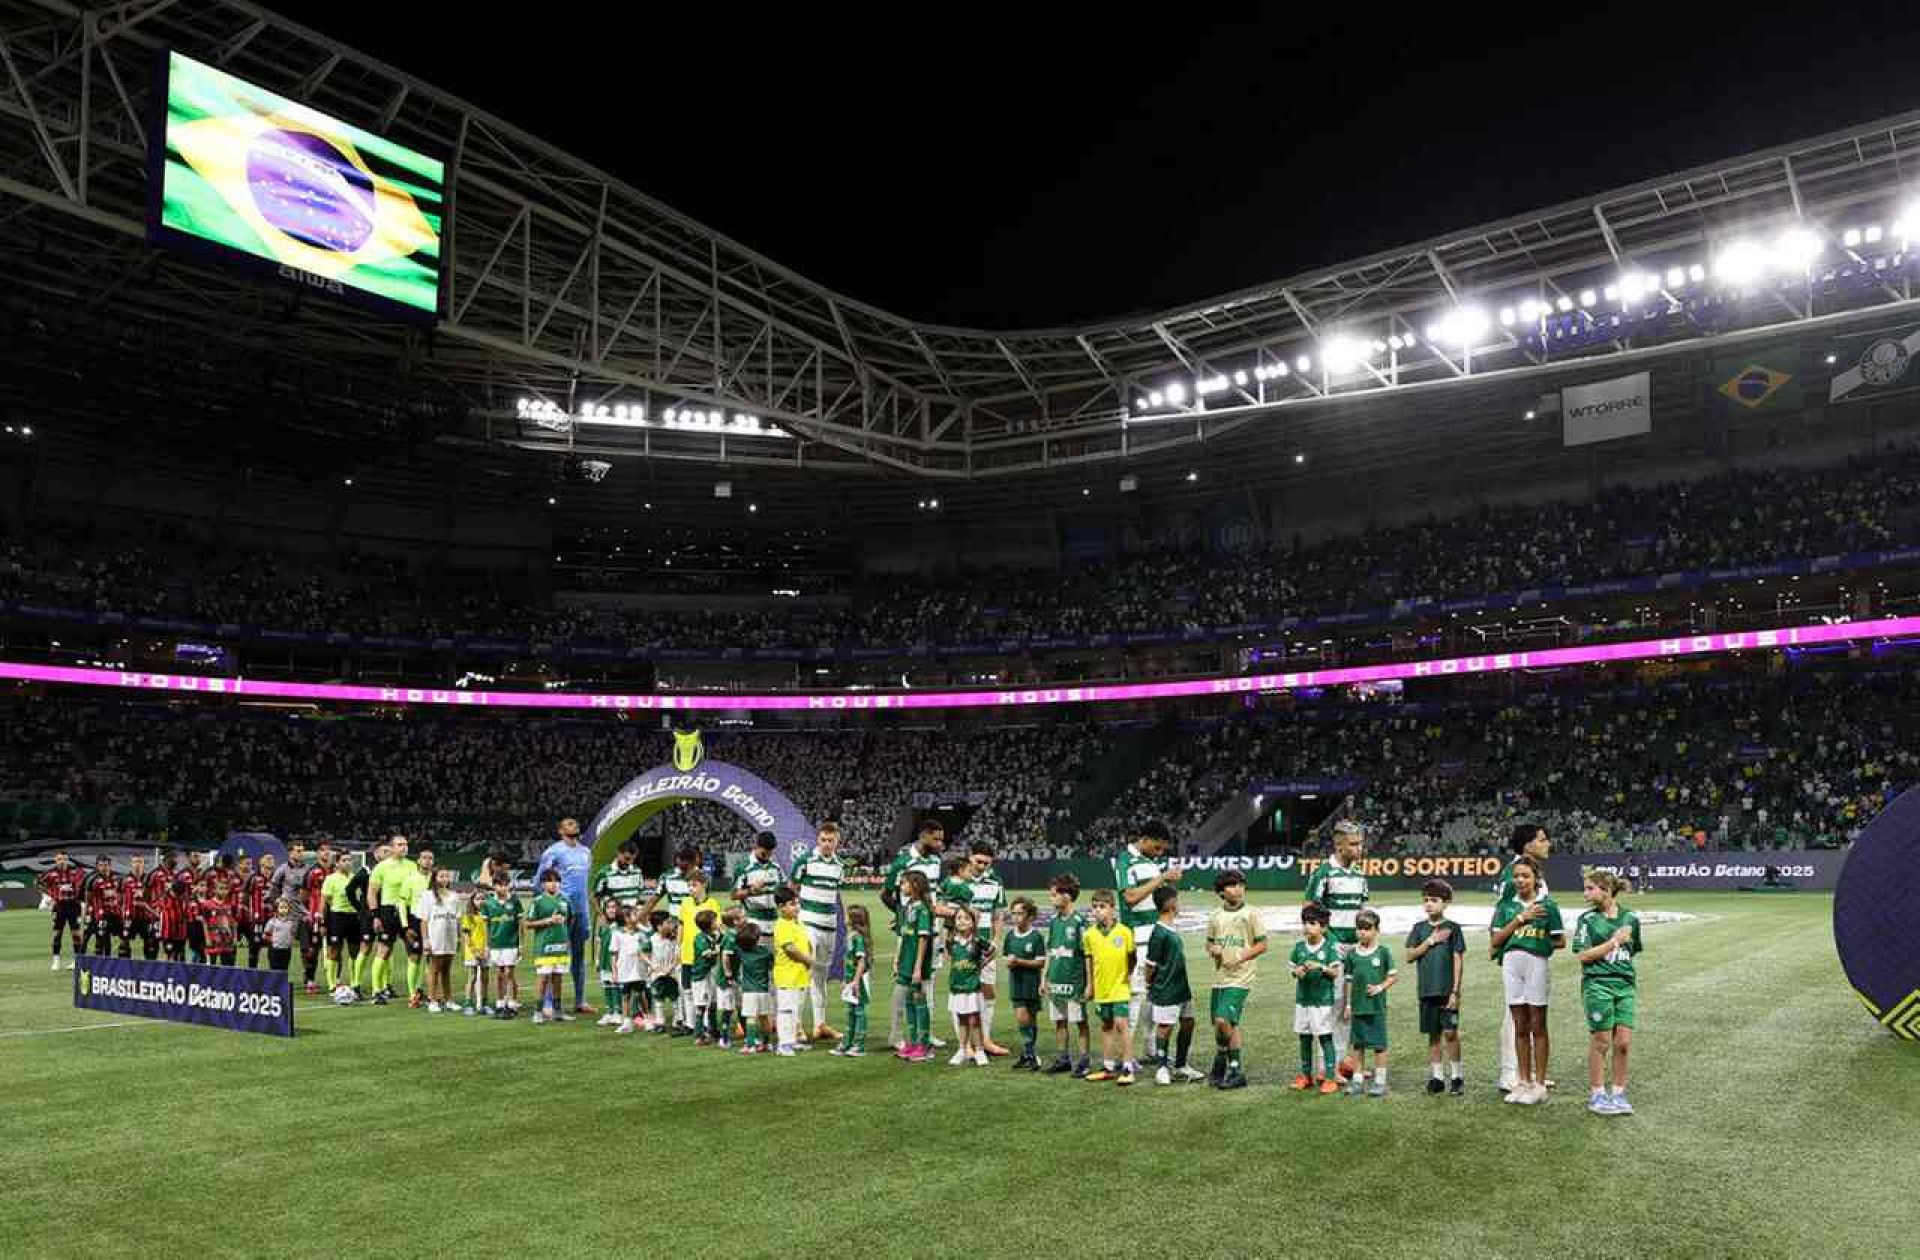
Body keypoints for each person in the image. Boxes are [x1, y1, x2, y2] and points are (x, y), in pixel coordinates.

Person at [1488, 855, 1564, 1106]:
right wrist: (1521, 919)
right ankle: (1522, 1082)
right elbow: (1496, 940)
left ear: (1536, 879)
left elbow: (1560, 940)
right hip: (1511, 965)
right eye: (1517, 876)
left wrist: (1536, 941)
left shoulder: (1548, 906)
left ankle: (1539, 1084)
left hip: (1536, 964)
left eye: (1525, 876)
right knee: (1519, 1025)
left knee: (1538, 1025)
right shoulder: (1506, 907)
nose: (1520, 880)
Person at [1572, 870, 1644, 1116]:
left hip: (1625, 985)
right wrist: (1613, 942)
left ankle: (1619, 1093)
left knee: (1623, 1042)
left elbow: (1632, 951)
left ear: (1606, 890)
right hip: (1597, 984)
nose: (1585, 893)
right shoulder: (1587, 920)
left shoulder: (1631, 919)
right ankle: (1597, 1094)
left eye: (1590, 888)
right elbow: (1582, 955)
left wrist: (1618, 949)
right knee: (1601, 1041)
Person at [1113, 820, 1181, 1065]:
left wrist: (1167, 883)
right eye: (1157, 847)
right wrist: (1161, 877)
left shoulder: (1150, 863)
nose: (1159, 853)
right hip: (1137, 937)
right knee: (1135, 995)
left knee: (1154, 995)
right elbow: (1130, 897)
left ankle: (1150, 1048)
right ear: (1144, 839)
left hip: (1155, 935)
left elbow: (1152, 896)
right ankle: (1126, 1056)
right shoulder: (1125, 860)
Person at [1302, 820, 1370, 1067]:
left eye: (1360, 843)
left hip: (1356, 949)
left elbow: (1361, 910)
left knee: (1349, 1006)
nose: (1359, 848)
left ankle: (1341, 1061)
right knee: (1334, 1004)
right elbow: (1309, 909)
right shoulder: (1324, 873)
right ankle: (1326, 1065)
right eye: (1354, 844)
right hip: (1336, 948)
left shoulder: (1359, 874)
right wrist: (1327, 943)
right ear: (1340, 847)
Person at [1493, 824, 1554, 1095]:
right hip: (1517, 953)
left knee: (1527, 1013)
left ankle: (1526, 1074)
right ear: (1527, 845)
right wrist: (1501, 949)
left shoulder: (1530, 873)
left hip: (1532, 949)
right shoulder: (1514, 874)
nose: (1548, 843)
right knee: (1515, 1014)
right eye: (1542, 839)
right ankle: (1510, 1073)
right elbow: (1502, 912)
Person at [881, 820, 946, 1050]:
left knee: (928, 982)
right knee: (904, 983)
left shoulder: (937, 861)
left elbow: (939, 894)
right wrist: (903, 916)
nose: (940, 843)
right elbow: (886, 894)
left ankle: (924, 1033)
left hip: (932, 930)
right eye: (936, 839)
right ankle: (897, 1033)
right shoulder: (903, 861)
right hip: (909, 933)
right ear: (923, 836)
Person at [1404, 879, 1466, 1096]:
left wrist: (1455, 991)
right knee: (1433, 1034)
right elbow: (1409, 956)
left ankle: (1457, 1076)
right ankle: (1437, 1077)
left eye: (1434, 900)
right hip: (1426, 990)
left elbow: (1458, 959)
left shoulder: (1453, 929)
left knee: (1450, 1033)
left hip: (1447, 992)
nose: (1429, 904)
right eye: (1426, 900)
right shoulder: (1419, 929)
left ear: (1446, 903)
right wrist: (1430, 941)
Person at [1204, 870, 1265, 1090]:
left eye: (1241, 884)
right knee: (1226, 1024)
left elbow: (1261, 945)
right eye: (1232, 885)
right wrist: (1214, 950)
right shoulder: (1215, 916)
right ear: (1221, 892)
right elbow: (1209, 943)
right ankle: (1227, 1064)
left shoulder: (1251, 914)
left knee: (1222, 1020)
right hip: (1220, 978)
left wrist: (1239, 957)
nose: (1238, 889)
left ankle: (1231, 1066)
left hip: (1241, 977)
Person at [789, 821, 847, 1046]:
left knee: (821, 975)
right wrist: (795, 919)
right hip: (809, 923)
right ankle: (796, 1026)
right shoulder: (806, 861)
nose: (826, 844)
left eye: (831, 840)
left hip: (829, 925)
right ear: (817, 840)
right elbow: (792, 887)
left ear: (837, 842)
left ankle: (820, 1024)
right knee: (805, 971)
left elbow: (835, 894)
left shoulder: (840, 866)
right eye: (823, 840)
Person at [536, 817, 596, 1017]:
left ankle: (580, 1001)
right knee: (555, 956)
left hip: (581, 911)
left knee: (579, 957)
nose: (575, 825)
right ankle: (548, 1003)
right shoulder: (553, 852)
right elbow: (539, 881)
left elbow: (586, 883)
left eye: (576, 823)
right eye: (570, 824)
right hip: (561, 911)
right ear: (561, 830)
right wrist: (547, 905)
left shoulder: (586, 852)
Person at [1143, 884, 1202, 1086]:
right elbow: (1150, 965)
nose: (1179, 903)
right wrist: (1149, 985)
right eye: (1177, 899)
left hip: (1181, 988)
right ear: (1171, 903)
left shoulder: (1170, 928)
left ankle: (1181, 1065)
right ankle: (1161, 1068)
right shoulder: (1159, 933)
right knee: (1165, 1027)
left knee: (1188, 1023)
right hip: (1166, 988)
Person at [1082, 889, 1137, 1085]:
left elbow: (1132, 958)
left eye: (1102, 907)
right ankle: (1108, 1067)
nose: (1098, 911)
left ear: (1113, 908)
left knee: (1121, 1024)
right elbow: (1089, 961)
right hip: (1101, 988)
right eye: (1095, 907)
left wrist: (1128, 977)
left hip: (1120, 987)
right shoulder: (1089, 935)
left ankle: (1128, 1067)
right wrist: (1090, 985)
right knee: (1106, 1025)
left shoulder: (1124, 932)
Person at [1342, 909, 1398, 1097]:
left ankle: (1380, 1081)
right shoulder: (1351, 955)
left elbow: (1393, 977)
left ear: (1376, 930)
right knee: (1358, 1045)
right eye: (1359, 929)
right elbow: (1348, 981)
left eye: (1367, 929)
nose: (1362, 933)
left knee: (1379, 1045)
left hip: (1376, 1008)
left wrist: (1379, 988)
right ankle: (1357, 1082)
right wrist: (1348, 1005)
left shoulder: (1383, 953)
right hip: (1358, 1008)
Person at [1042, 872, 1093, 1078]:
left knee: (1079, 1022)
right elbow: (1050, 950)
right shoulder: (1054, 922)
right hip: (1056, 980)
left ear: (1067, 896)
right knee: (1059, 1021)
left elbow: (1088, 955)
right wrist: (1044, 978)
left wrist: (1090, 984)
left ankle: (1084, 1060)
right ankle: (1063, 1058)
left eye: (1054, 894)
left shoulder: (1080, 922)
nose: (1051, 898)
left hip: (1074, 982)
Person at [963, 840, 1010, 1056]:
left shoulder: (996, 881)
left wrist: (996, 941)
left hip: (986, 946)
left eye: (986, 863)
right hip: (963, 945)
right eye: (978, 861)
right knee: (965, 992)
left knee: (988, 991)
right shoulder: (959, 881)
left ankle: (985, 1040)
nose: (982, 866)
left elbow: (998, 914)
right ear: (969, 856)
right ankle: (966, 1045)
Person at [1289, 902, 1342, 1094]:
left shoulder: (1330, 948)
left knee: (1325, 1038)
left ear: (1323, 927)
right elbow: (1293, 971)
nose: (1307, 927)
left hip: (1322, 1002)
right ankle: (1305, 1075)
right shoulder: (1298, 948)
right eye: (1305, 923)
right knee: (1304, 1038)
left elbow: (1335, 972)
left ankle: (1329, 1077)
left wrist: (1320, 967)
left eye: (1312, 923)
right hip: (1303, 1000)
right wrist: (1299, 972)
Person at [365, 835, 417, 1005]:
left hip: (408, 910)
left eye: (406, 844)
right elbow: (372, 893)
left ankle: (414, 992)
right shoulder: (382, 867)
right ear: (392, 848)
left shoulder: (412, 866)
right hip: (389, 911)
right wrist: (375, 915)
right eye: (400, 845)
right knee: (384, 950)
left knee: (414, 951)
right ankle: (377, 990)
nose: (404, 847)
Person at [892, 869, 935, 1062]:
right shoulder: (908, 906)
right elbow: (904, 935)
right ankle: (912, 1042)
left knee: (919, 999)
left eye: (904, 883)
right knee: (908, 1000)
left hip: (917, 963)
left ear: (915, 885)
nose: (901, 886)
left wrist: (918, 967)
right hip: (906, 961)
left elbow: (923, 939)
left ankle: (924, 1045)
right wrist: (898, 958)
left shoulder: (923, 909)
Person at [675, 870, 724, 1038]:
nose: (691, 889)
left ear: (704, 885)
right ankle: (690, 1024)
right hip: (688, 953)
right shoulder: (685, 903)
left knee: (708, 990)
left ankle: (706, 1025)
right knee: (687, 990)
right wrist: (678, 946)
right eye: (688, 885)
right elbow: (681, 925)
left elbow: (718, 927)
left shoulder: (712, 904)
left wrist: (718, 946)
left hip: (705, 955)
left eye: (694, 885)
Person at [944, 907, 993, 1067]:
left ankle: (979, 1050)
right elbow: (949, 955)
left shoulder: (978, 941)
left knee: (974, 1019)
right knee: (961, 1019)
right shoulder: (952, 941)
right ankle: (962, 1049)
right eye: (959, 918)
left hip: (972, 986)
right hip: (956, 986)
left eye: (966, 918)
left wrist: (982, 963)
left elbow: (993, 950)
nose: (962, 921)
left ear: (973, 922)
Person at [1001, 897, 1046, 1071]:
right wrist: (1010, 961)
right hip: (1017, 983)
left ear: (1029, 916)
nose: (1016, 917)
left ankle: (1029, 1054)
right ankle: (1029, 1053)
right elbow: (1006, 956)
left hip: (1031, 982)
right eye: (1014, 914)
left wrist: (1019, 961)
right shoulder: (1010, 935)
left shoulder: (1036, 937)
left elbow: (1041, 962)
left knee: (1031, 1018)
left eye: (1020, 914)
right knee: (1021, 1017)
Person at [528, 868, 574, 1025]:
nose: (554, 884)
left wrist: (567, 937)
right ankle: (538, 1012)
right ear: (543, 884)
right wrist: (548, 921)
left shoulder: (565, 900)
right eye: (550, 881)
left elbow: (570, 920)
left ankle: (557, 1011)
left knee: (558, 979)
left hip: (561, 946)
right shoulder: (538, 901)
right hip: (544, 946)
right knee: (543, 979)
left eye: (556, 881)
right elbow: (527, 923)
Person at [772, 888, 813, 1057]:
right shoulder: (782, 925)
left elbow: (805, 943)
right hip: (787, 975)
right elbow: (790, 949)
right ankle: (784, 1044)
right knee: (786, 1010)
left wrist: (809, 957)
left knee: (795, 1010)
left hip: (799, 975)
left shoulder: (798, 922)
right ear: (781, 907)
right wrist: (809, 960)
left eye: (797, 903)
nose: (796, 907)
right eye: (792, 904)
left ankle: (793, 1040)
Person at [416, 866, 462, 1013]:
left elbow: (458, 919)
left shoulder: (454, 896)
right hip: (435, 937)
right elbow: (424, 920)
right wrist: (426, 940)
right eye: (441, 876)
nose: (444, 879)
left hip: (450, 937)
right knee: (434, 969)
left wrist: (459, 937)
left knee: (446, 970)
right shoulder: (428, 896)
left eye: (446, 876)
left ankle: (448, 999)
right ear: (435, 878)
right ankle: (432, 1000)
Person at [321, 851, 365, 1000]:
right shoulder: (331, 879)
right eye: (344, 860)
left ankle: (354, 984)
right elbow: (325, 902)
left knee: (354, 951)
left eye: (349, 860)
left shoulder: (355, 878)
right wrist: (323, 922)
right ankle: (332, 985)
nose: (348, 862)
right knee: (334, 951)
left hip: (353, 917)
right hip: (337, 917)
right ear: (337, 863)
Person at [832, 904, 873, 1058]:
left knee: (859, 1011)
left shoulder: (858, 938)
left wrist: (856, 981)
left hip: (859, 980)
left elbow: (861, 961)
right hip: (850, 978)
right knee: (850, 1010)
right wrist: (845, 978)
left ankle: (859, 1044)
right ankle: (847, 1042)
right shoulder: (851, 936)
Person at [483, 873, 525, 1019]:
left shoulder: (515, 902)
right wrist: (486, 945)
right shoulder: (488, 903)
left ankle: (512, 1003)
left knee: (509, 973)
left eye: (506, 884)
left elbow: (520, 924)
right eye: (500, 885)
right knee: (499, 973)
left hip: (511, 943)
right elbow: (486, 926)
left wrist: (521, 944)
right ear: (494, 886)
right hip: (495, 944)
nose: (503, 887)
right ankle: (500, 1003)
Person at [38, 848, 86, 969]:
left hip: (74, 905)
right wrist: (49, 895)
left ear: (68, 860)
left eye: (64, 859)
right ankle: (56, 961)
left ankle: (77, 960)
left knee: (76, 934)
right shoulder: (50, 873)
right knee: (57, 933)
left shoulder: (76, 871)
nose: (62, 861)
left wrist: (79, 896)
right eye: (59, 859)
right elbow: (38, 882)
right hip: (58, 906)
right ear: (55, 860)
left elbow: (84, 884)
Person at [731, 830, 784, 938]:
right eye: (764, 853)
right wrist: (751, 891)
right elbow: (733, 894)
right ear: (756, 846)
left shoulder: (776, 868)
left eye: (770, 853)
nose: (768, 856)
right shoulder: (743, 868)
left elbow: (784, 890)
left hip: (774, 921)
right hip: (753, 921)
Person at [401, 846, 436, 1007]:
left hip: (433, 922)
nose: (427, 861)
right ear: (418, 861)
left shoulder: (435, 880)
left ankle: (426, 991)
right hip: (415, 920)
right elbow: (402, 902)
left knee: (431, 959)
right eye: (424, 857)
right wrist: (405, 925)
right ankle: (412, 994)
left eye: (430, 858)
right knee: (414, 957)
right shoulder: (410, 879)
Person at [734, 921, 774, 1054]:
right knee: (764, 1017)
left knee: (751, 1018)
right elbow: (771, 965)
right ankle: (767, 1044)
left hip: (749, 991)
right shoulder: (765, 952)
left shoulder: (742, 952)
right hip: (764, 990)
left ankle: (750, 1045)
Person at [592, 840, 652, 926]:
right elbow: (595, 897)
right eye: (627, 858)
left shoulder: (637, 871)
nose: (630, 862)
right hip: (612, 921)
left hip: (632, 920)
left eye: (633, 859)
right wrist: (601, 915)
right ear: (618, 853)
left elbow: (640, 895)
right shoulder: (605, 873)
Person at [612, 905, 650, 1035]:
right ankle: (627, 1022)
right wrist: (615, 971)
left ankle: (647, 1018)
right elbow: (614, 954)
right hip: (624, 969)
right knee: (625, 995)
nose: (638, 916)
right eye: (634, 914)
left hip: (638, 968)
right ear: (626, 918)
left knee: (641, 993)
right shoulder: (618, 934)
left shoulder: (641, 932)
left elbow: (646, 950)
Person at [690, 909, 723, 1045]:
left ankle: (713, 1031)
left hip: (711, 974)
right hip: (701, 976)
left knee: (713, 1003)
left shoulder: (714, 935)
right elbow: (707, 954)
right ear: (709, 924)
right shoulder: (699, 938)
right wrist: (719, 950)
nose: (718, 922)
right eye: (715, 920)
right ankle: (698, 1035)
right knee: (701, 1005)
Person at [80, 854, 120, 959]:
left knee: (108, 938)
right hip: (96, 914)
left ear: (110, 865)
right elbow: (86, 899)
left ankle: (108, 961)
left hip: (113, 913)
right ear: (97, 866)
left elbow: (120, 895)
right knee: (86, 936)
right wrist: (86, 915)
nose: (104, 867)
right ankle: (79, 960)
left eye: (106, 865)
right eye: (101, 865)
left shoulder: (117, 878)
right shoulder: (91, 879)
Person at [716, 906, 745, 1048]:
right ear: (735, 921)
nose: (745, 919)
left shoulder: (735, 934)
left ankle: (747, 1035)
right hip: (727, 980)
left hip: (736, 978)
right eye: (742, 917)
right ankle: (723, 1037)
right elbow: (725, 956)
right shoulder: (731, 937)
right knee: (728, 1009)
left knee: (741, 1007)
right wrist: (728, 974)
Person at [460, 888, 492, 1016]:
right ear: (472, 901)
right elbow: (466, 936)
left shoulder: (488, 915)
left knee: (485, 977)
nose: (480, 901)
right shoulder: (469, 916)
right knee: (472, 976)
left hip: (486, 950)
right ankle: (468, 1003)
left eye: (483, 898)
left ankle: (484, 1003)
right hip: (473, 951)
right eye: (477, 899)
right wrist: (475, 950)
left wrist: (487, 949)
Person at [650, 914, 683, 1035]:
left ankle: (678, 1020)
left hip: (672, 972)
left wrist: (672, 966)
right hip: (658, 974)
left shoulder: (674, 939)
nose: (671, 925)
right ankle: (660, 1021)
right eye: (667, 923)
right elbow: (643, 953)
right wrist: (653, 966)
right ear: (659, 926)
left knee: (675, 996)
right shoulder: (652, 939)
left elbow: (678, 955)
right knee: (658, 997)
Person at [242, 854, 276, 969]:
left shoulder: (275, 879)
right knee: (255, 947)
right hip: (256, 920)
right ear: (260, 866)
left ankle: (272, 974)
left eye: (271, 869)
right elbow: (245, 898)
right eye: (266, 868)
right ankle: (252, 973)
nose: (268, 871)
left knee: (273, 946)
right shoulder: (253, 878)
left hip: (272, 919)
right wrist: (249, 914)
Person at [595, 901, 625, 1027]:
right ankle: (610, 1011)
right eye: (608, 907)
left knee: (616, 985)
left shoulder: (621, 926)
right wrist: (597, 959)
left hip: (615, 961)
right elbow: (600, 943)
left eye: (614, 907)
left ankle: (619, 1012)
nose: (611, 910)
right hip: (604, 960)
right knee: (606, 985)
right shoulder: (603, 925)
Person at [121, 853, 156, 960]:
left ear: (143, 864)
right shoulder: (124, 879)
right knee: (124, 942)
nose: (137, 864)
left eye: (140, 862)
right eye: (135, 862)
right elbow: (119, 898)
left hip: (145, 917)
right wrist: (122, 912)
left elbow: (153, 897)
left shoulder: (148, 879)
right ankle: (124, 967)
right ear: (131, 864)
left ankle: (150, 967)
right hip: (129, 916)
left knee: (150, 942)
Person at [265, 898, 299, 977]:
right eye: (281, 907)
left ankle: (282, 987)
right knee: (274, 971)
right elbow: (265, 936)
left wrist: (291, 941)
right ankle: (274, 988)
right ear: (277, 908)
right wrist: (273, 940)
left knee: (284, 971)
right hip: (275, 950)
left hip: (286, 950)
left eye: (285, 907)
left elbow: (293, 934)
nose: (283, 909)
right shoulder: (272, 921)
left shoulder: (291, 922)